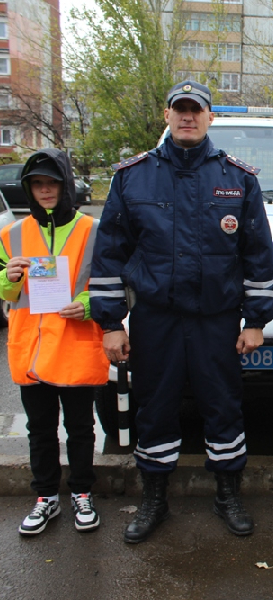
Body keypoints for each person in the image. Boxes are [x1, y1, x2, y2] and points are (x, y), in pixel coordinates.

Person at [89, 80, 273, 543]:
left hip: (217, 319)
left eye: (197, 110)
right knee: (154, 407)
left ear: (210, 117)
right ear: (168, 115)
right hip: (157, 318)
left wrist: (255, 321)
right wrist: (112, 324)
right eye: (180, 109)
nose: (188, 117)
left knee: (223, 407)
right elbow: (109, 256)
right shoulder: (133, 177)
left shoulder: (238, 179)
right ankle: (154, 499)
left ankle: (227, 495)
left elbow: (258, 256)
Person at [0, 149, 109, 535]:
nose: (45, 190)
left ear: (65, 187)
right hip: (31, 347)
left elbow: (112, 286)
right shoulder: (11, 234)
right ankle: (45, 497)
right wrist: (10, 278)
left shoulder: (92, 230)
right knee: (40, 429)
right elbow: (6, 294)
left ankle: (82, 493)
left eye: (52, 183)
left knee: (80, 428)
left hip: (74, 345)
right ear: (29, 189)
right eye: (37, 184)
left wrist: (85, 304)